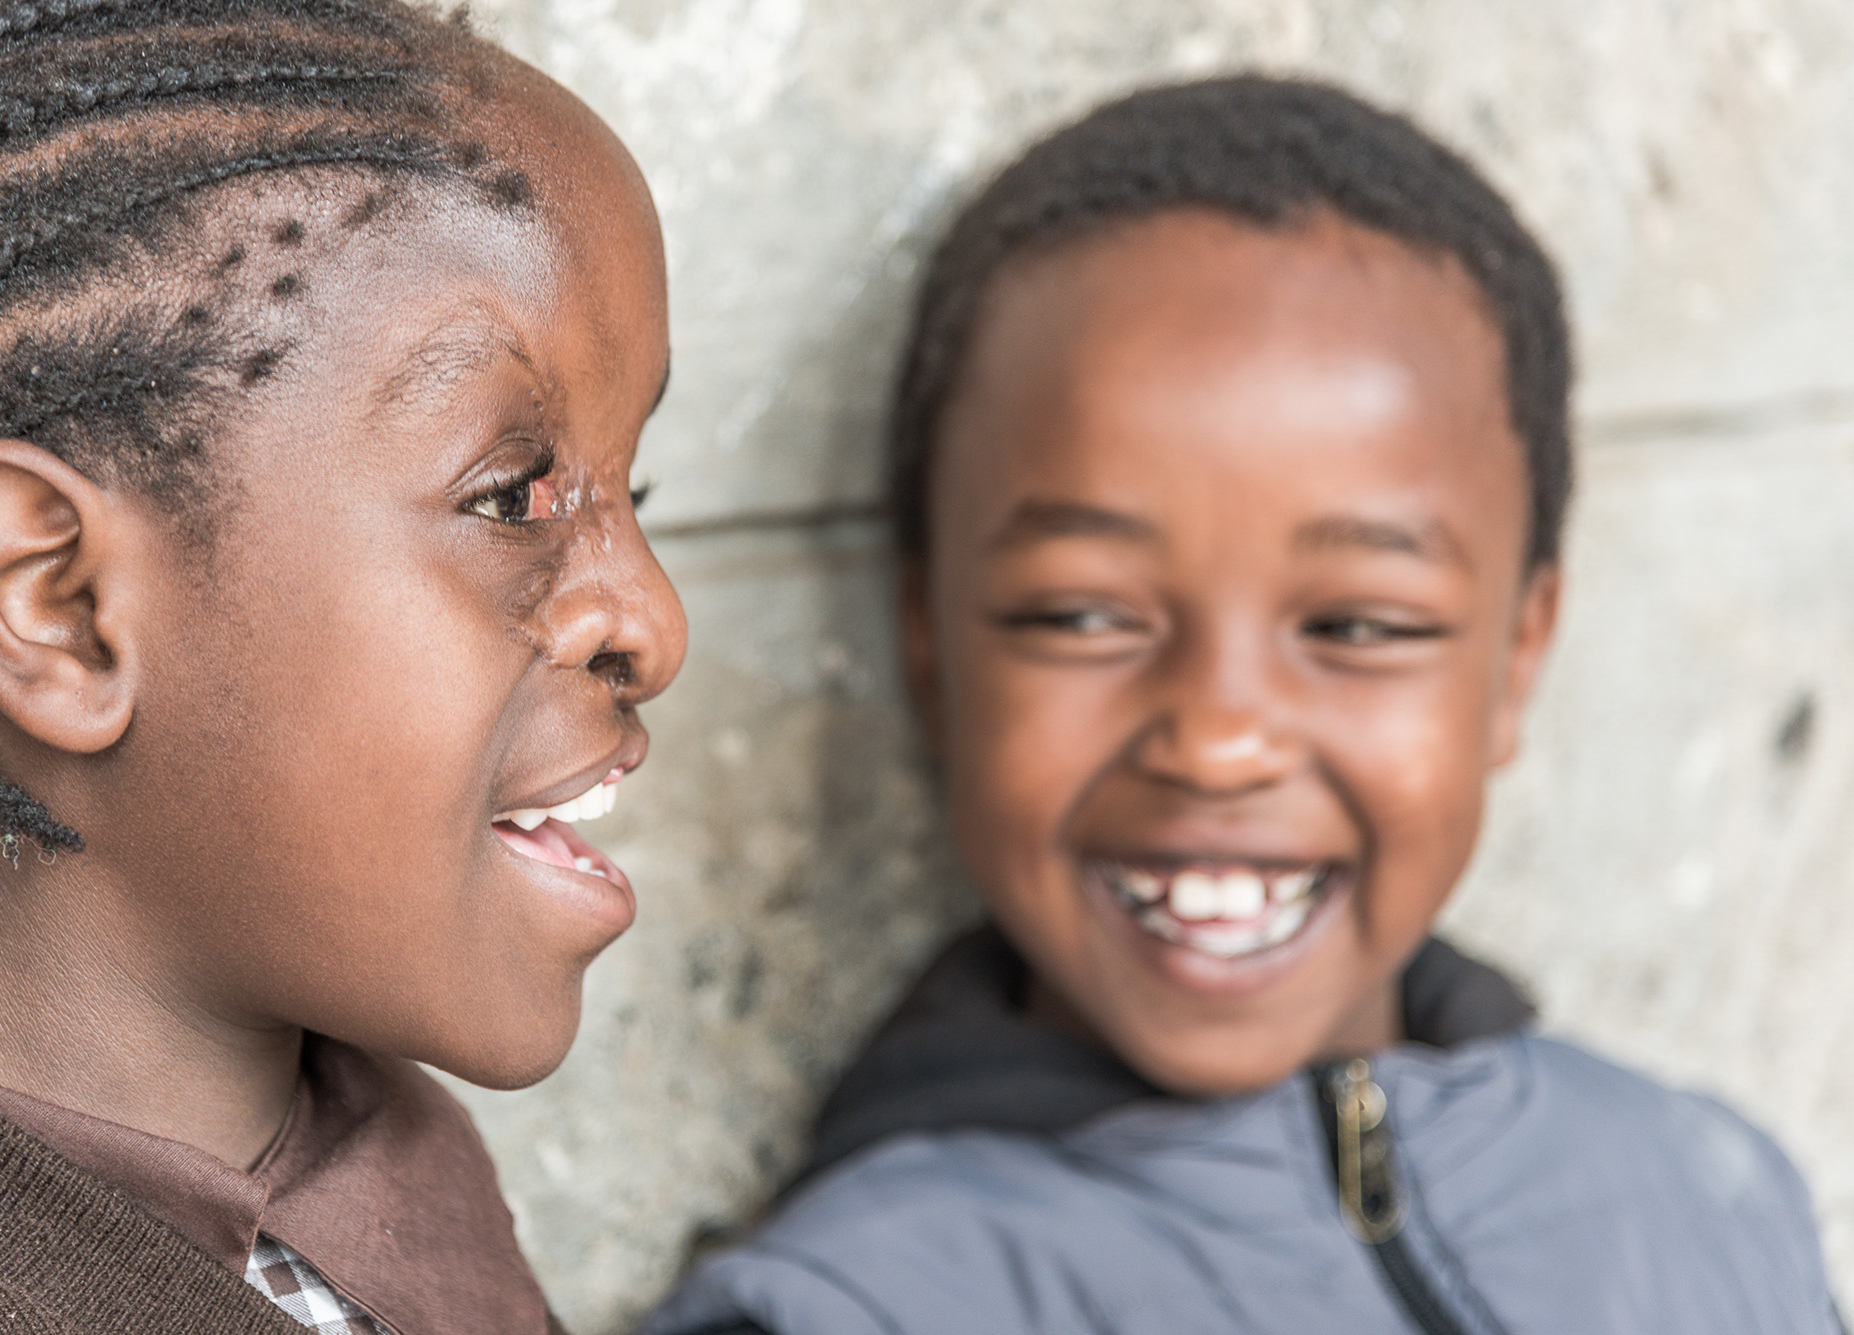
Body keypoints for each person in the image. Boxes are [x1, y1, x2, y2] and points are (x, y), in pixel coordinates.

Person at [644, 77, 1840, 1335]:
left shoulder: (1706, 1199)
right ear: (928, 648)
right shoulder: (847, 1309)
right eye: (1082, 616)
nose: (1216, 742)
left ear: (1517, 658)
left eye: (1357, 627)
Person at [0, 3, 685, 1332]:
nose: (651, 620)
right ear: (57, 605)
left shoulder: (386, 1176)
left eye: (635, 490)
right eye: (514, 497)